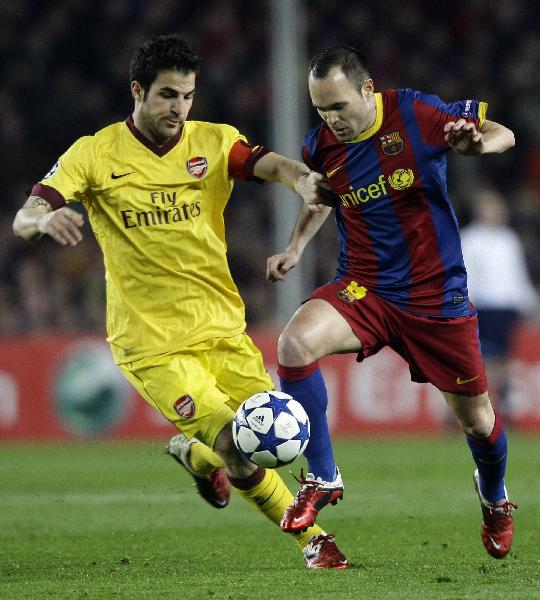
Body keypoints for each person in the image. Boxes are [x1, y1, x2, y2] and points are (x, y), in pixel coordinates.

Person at [12, 34, 348, 570]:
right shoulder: (94, 154)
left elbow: (273, 166)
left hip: (222, 330)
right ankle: (315, 542)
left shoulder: (212, 142)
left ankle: (192, 453)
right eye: (168, 95)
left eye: (188, 96)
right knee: (239, 452)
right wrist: (45, 219)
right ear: (137, 90)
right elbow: (24, 216)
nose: (179, 108)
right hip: (152, 345)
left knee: (269, 438)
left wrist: (303, 181)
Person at [266, 45, 518, 559]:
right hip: (366, 287)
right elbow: (322, 199)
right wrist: (295, 246)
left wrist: (475, 147)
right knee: (293, 344)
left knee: (480, 424)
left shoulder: (412, 111)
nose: (330, 119)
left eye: (338, 106)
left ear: (366, 90)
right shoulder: (320, 147)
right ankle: (323, 475)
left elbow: (502, 133)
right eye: (320, 109)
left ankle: (494, 497)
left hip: (436, 297)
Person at [461, 187, 539, 420]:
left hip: (506, 306)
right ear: (479, 210)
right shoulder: (471, 238)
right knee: (482, 359)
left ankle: (502, 408)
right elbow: (465, 274)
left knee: (504, 359)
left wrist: (528, 301)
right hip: (482, 305)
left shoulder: (509, 238)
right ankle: (473, 408)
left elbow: (517, 274)